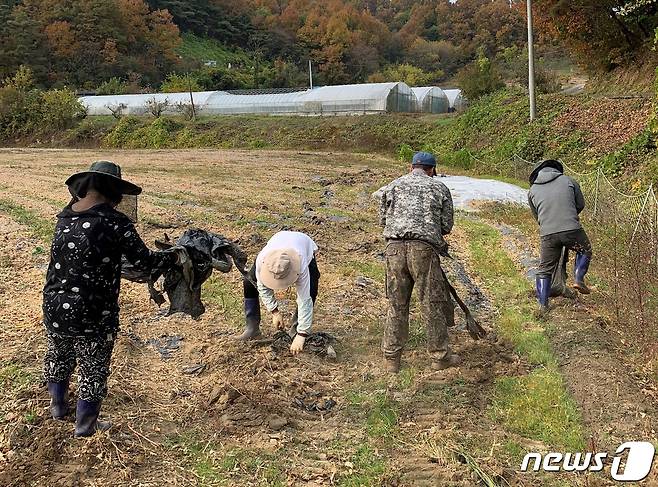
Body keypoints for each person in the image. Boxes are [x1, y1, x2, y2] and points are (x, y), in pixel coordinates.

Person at [43, 161, 179, 437]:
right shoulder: (114, 221)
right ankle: (85, 426)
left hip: (54, 304)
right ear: (112, 190)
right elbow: (144, 261)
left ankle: (58, 408)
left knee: (59, 355)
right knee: (93, 365)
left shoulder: (64, 217)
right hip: (94, 310)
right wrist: (174, 255)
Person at [379, 151, 459, 374]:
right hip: (423, 251)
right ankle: (439, 357)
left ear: (410, 167)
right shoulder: (439, 188)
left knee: (396, 304)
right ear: (432, 170)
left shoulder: (392, 186)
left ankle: (391, 360)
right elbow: (446, 226)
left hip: (393, 249)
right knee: (431, 303)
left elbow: (383, 220)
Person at [238, 231, 320, 355]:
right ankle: (252, 328)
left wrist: (302, 334)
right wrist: (275, 312)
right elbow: (262, 286)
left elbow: (304, 298)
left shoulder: (301, 262)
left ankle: (296, 331)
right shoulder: (263, 260)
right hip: (277, 241)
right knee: (248, 282)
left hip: (303, 244)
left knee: (311, 289)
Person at [528, 159, 592, 317]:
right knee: (584, 249)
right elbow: (580, 204)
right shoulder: (569, 181)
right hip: (571, 229)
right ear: (557, 169)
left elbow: (537, 216)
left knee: (544, 269)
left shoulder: (532, 190)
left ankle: (543, 306)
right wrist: (568, 216)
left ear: (537, 173)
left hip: (548, 233)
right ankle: (578, 279)